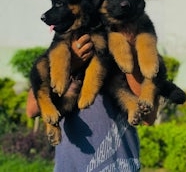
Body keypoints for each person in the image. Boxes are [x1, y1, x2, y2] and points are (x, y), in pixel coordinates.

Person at [27, 34, 158, 172]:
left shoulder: (136, 42)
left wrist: (128, 53)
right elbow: (32, 109)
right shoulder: (68, 42)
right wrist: (70, 64)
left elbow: (148, 118)